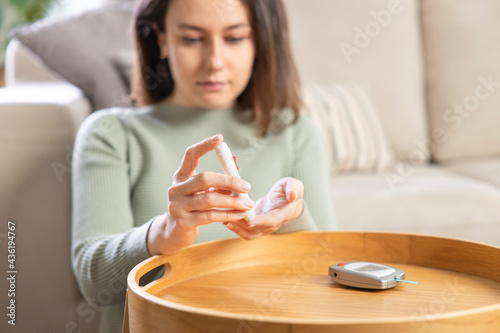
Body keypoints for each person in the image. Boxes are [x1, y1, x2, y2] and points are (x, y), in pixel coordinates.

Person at [71, 0, 336, 332]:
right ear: (162, 39)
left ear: (260, 41)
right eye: (193, 39)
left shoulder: (295, 131)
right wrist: (162, 233)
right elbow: (92, 282)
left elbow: (328, 270)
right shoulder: (111, 133)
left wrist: (291, 219)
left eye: (235, 38)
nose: (214, 63)